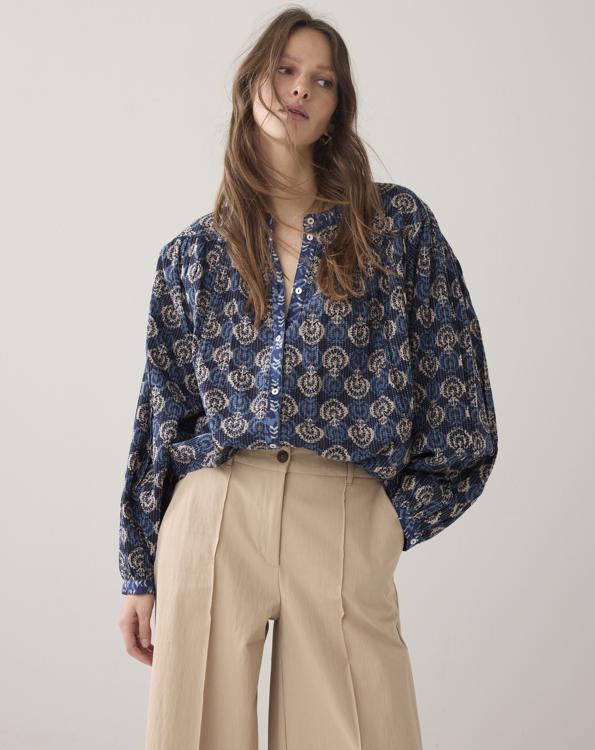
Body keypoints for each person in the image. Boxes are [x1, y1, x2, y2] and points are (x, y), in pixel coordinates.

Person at [116, 7, 498, 749]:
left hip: (344, 511)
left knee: (364, 731)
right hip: (215, 512)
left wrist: (388, 523)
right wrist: (137, 570)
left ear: (336, 109)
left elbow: (461, 401)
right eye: (286, 69)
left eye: (322, 81)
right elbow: (162, 413)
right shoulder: (194, 254)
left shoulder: (396, 228)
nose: (300, 89)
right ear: (250, 84)